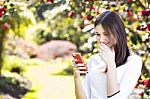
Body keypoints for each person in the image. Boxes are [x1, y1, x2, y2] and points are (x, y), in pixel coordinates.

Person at [72, 10, 142, 99]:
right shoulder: (93, 60)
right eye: (98, 34)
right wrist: (76, 77)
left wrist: (110, 63)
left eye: (106, 34)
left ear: (118, 33)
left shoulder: (134, 61)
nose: (101, 40)